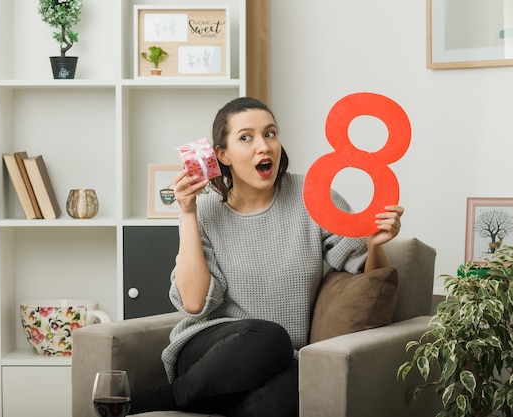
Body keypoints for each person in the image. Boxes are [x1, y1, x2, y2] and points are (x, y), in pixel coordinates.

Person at [129, 96, 404, 417]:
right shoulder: (204, 211)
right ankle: (167, 397)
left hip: (277, 363)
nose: (263, 146)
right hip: (209, 354)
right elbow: (193, 303)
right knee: (269, 335)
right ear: (222, 155)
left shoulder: (313, 197)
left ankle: (193, 401)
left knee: (294, 386)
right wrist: (188, 213)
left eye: (270, 133)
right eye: (246, 137)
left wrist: (376, 245)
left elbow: (370, 278)